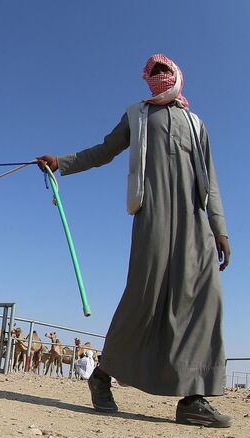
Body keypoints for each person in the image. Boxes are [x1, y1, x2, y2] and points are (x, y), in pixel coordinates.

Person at [37, 54, 232, 428]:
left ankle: (193, 398)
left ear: (177, 75)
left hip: (195, 221)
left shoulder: (196, 124)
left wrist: (219, 227)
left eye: (165, 71)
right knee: (145, 293)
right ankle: (102, 376)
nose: (159, 77)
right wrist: (61, 162)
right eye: (152, 73)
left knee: (208, 297)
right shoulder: (137, 116)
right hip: (154, 216)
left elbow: (212, 179)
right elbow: (104, 150)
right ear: (147, 79)